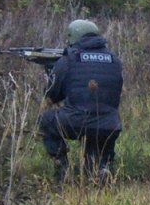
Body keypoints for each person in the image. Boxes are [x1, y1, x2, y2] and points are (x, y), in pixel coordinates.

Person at [38, 19, 124, 182]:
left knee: (47, 121)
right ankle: (101, 168)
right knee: (96, 157)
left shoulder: (68, 60)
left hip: (75, 122)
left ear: (73, 37)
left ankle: (62, 168)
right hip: (109, 125)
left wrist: (51, 70)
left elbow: (52, 95)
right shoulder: (114, 60)